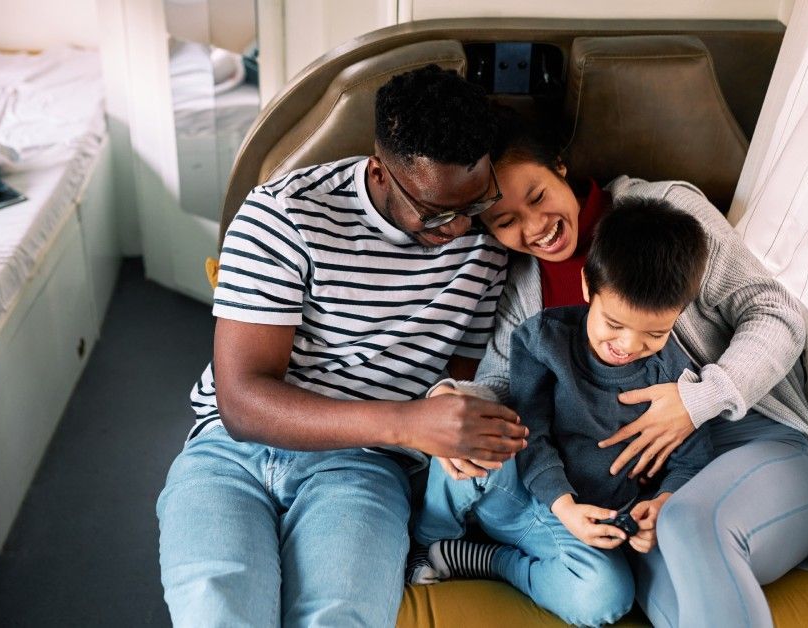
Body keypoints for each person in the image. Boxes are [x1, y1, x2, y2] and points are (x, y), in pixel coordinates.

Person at [424, 120, 808, 627]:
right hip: (651, 503)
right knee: (663, 597)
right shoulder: (524, 293)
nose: (534, 226)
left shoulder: (668, 214)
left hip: (753, 443)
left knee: (689, 524)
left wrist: (698, 401)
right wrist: (448, 399)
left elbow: (774, 312)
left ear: (560, 167)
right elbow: (501, 385)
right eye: (506, 221)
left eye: (536, 196)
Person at [155, 65, 530, 627]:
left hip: (363, 469)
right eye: (435, 214)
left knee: (340, 617)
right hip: (233, 456)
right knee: (217, 609)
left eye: (475, 204)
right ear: (380, 171)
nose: (458, 231)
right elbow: (241, 402)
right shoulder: (283, 214)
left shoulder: (489, 244)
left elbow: (457, 378)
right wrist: (407, 423)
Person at [412, 198, 715, 626]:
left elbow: (693, 456)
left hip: (583, 529)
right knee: (467, 427)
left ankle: (484, 560)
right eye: (614, 324)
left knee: (607, 598)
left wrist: (662, 503)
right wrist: (562, 504)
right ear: (588, 288)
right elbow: (529, 431)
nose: (628, 346)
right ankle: (428, 539)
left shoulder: (674, 373)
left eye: (655, 333)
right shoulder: (543, 340)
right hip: (527, 494)